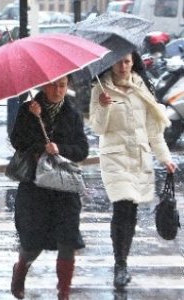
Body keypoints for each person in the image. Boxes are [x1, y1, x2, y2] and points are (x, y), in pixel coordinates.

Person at [89, 52, 177, 290]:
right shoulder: (100, 88)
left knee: (131, 210)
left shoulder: (142, 87)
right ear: (111, 63)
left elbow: (153, 130)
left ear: (133, 62)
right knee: (122, 205)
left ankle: (123, 261)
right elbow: (98, 127)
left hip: (139, 157)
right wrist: (104, 106)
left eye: (127, 61)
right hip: (114, 158)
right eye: (118, 61)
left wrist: (165, 158)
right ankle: (120, 266)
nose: (123, 66)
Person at [9, 76, 89, 300]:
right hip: (35, 187)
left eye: (62, 85)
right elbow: (16, 140)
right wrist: (39, 142)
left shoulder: (71, 114)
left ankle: (63, 293)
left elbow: (82, 149)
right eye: (53, 85)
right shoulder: (29, 109)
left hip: (64, 188)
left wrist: (60, 148)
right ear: (44, 86)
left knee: (68, 240)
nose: (57, 90)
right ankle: (20, 271)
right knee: (32, 243)